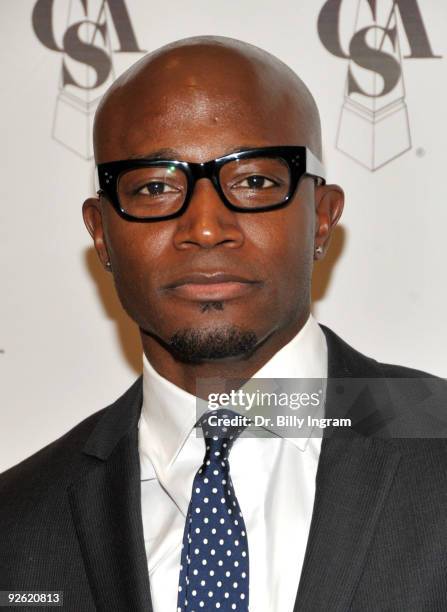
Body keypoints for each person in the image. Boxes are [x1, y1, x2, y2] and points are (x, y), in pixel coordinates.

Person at [1, 36, 446, 612]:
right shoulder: (17, 524)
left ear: (322, 218)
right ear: (101, 233)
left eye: (254, 181)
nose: (206, 228)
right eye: (155, 187)